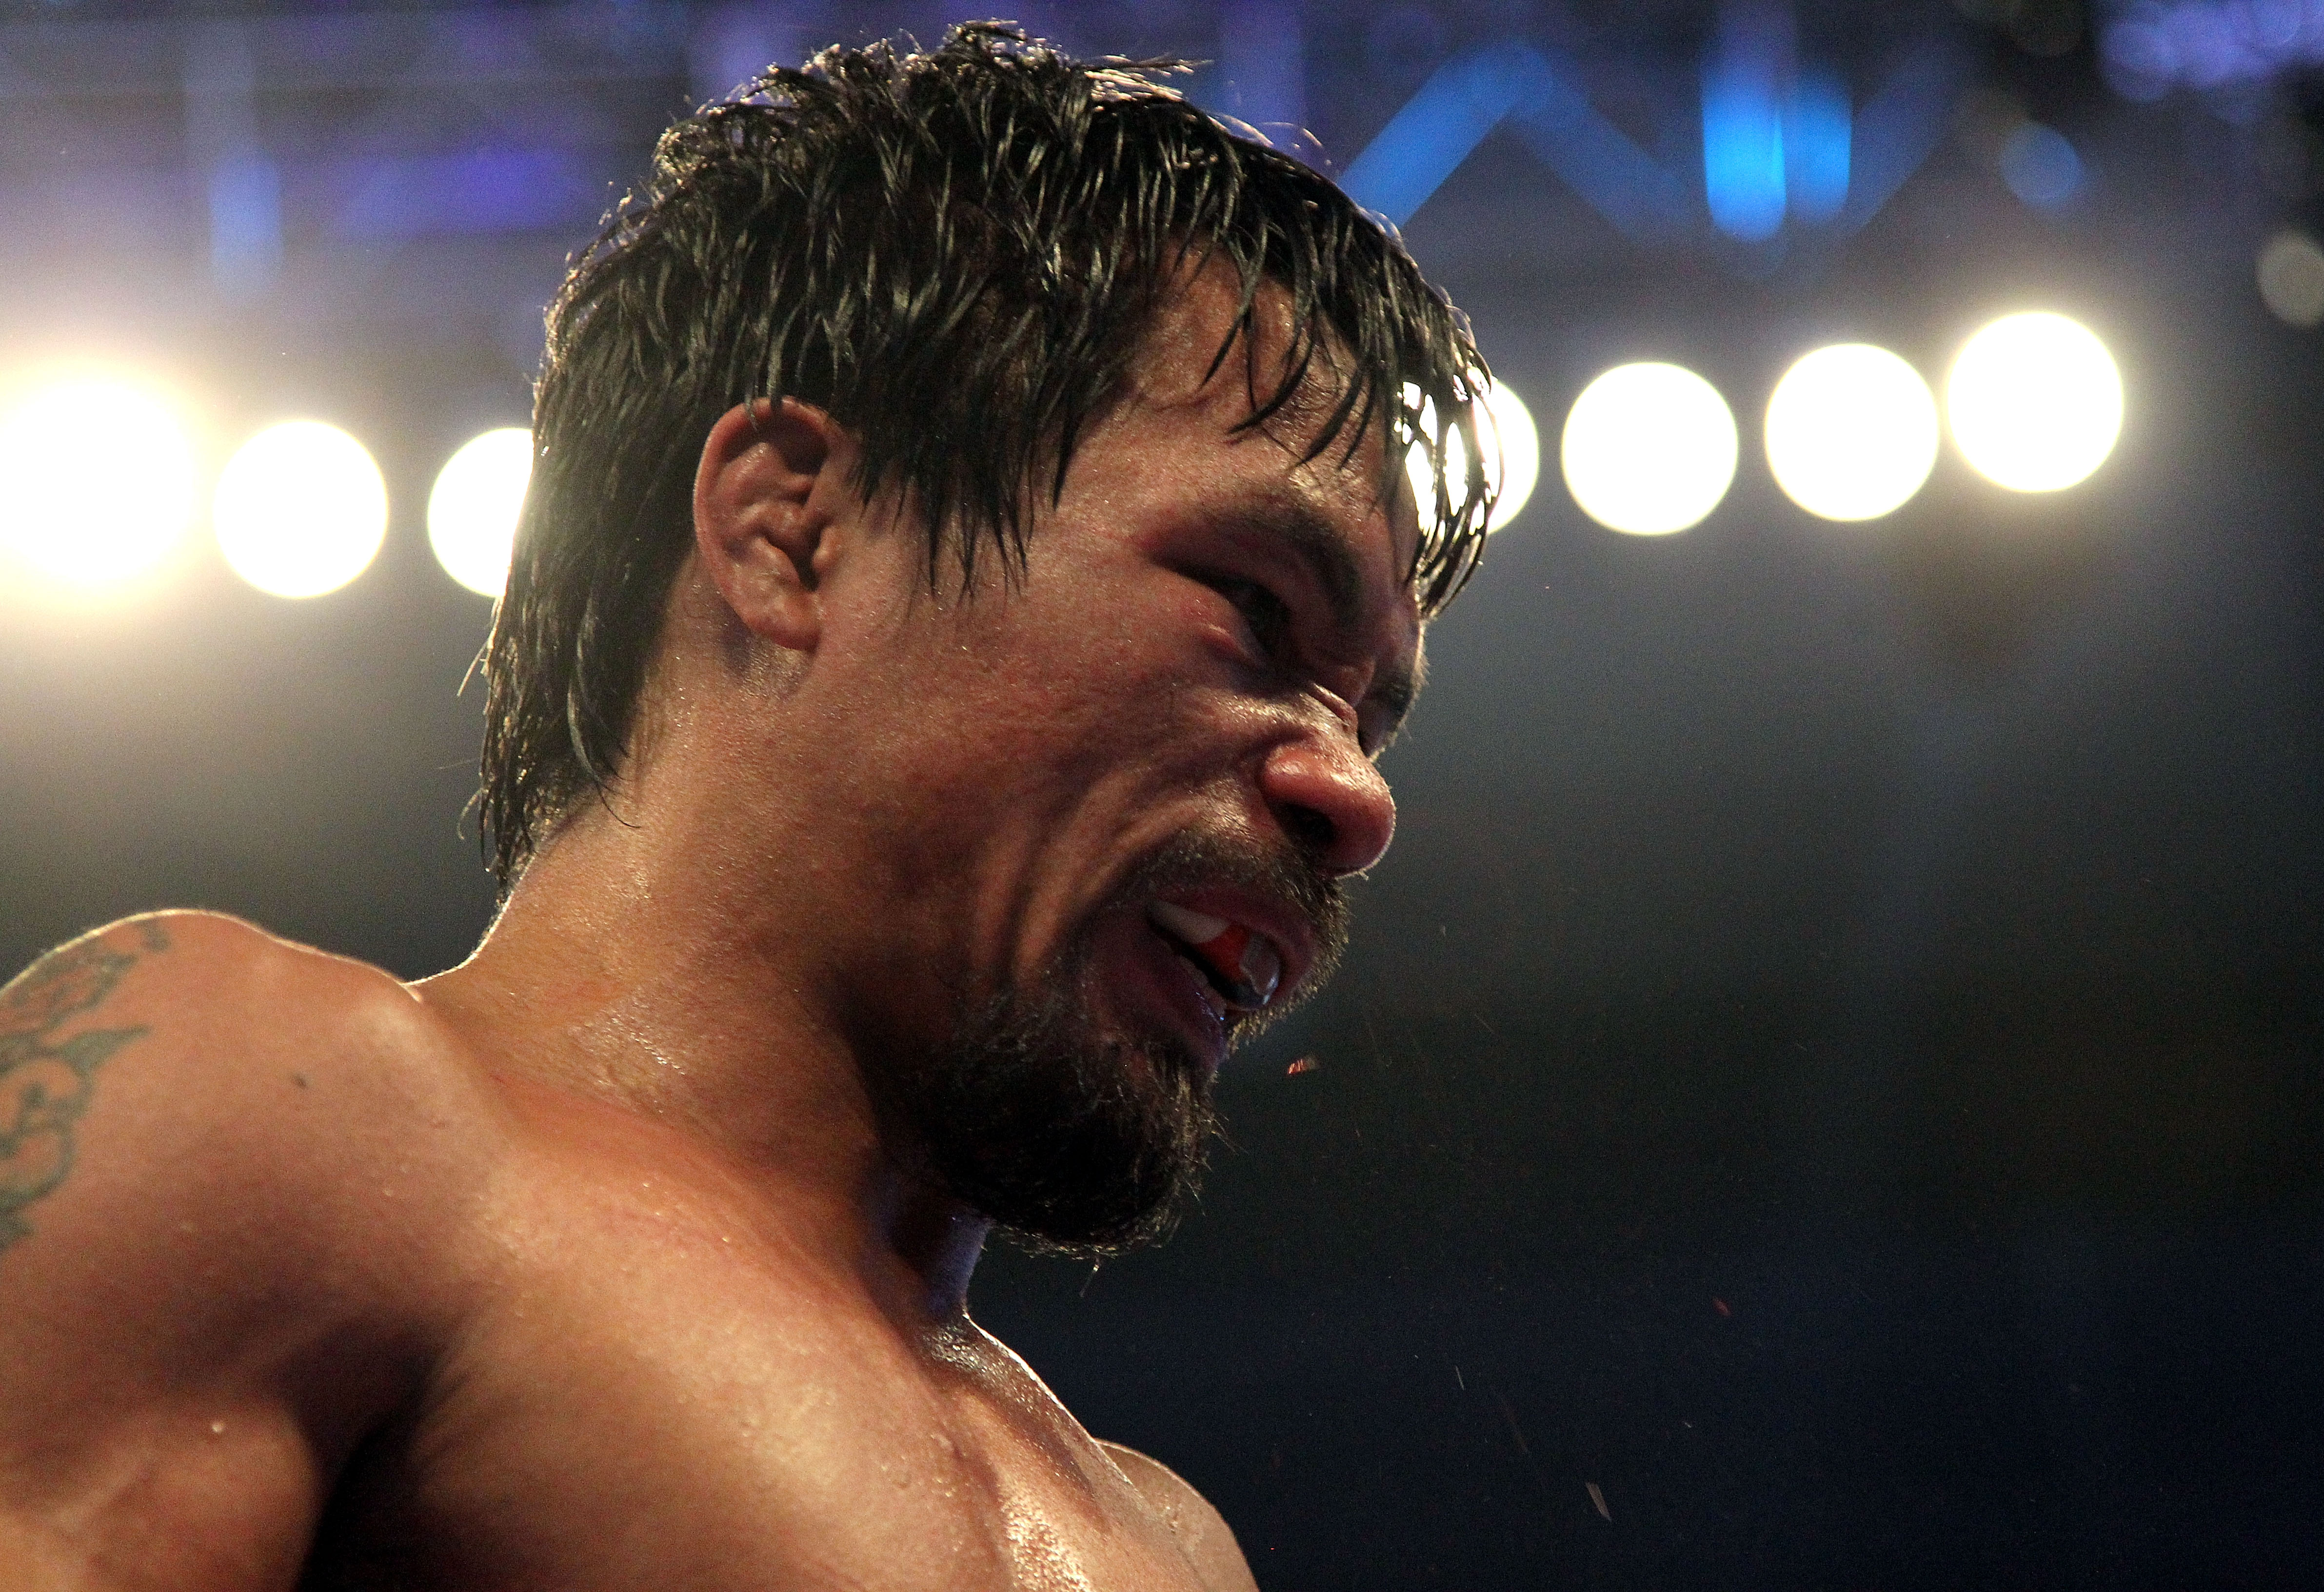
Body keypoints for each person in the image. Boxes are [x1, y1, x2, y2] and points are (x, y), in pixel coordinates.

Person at [0, 24, 1491, 1590]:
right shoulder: (265, 1116)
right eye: (1254, 607)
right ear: (794, 536)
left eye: (1371, 714)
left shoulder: (1165, 1549)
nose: (1354, 794)